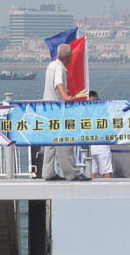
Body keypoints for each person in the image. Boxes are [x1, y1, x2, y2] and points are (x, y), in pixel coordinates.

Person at [41, 43, 83, 181]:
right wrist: (65, 96)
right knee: (65, 140)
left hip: (47, 108)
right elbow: (58, 82)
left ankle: (47, 172)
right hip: (57, 110)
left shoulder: (51, 65)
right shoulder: (59, 67)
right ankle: (70, 172)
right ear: (68, 56)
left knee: (50, 142)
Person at [87, 90, 113, 178]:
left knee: (93, 171)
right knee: (106, 171)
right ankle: (109, 190)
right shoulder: (103, 113)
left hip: (92, 146)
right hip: (102, 146)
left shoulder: (88, 113)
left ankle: (92, 190)